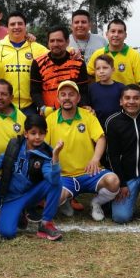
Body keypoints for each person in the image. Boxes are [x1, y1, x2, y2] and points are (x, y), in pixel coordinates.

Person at [45, 80, 120, 221]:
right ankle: (65, 200)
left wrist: (95, 159)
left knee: (113, 181)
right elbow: (44, 148)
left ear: (78, 98)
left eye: (71, 94)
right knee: (53, 200)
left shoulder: (88, 116)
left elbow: (101, 139)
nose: (67, 98)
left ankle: (96, 203)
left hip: (90, 172)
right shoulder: (50, 119)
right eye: (63, 94)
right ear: (58, 98)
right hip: (65, 176)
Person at [0, 114, 65, 240]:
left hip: (31, 193)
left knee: (56, 183)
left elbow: (54, 180)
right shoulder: (15, 144)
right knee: (6, 233)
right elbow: (4, 157)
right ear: (26, 133)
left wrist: (55, 156)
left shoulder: (46, 154)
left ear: (45, 134)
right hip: (12, 197)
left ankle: (46, 224)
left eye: (41, 133)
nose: (37, 137)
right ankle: (19, 214)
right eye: (33, 133)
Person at [104, 85, 140, 224]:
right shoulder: (113, 122)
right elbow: (113, 156)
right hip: (127, 178)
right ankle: (124, 203)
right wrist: (121, 183)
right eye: (127, 98)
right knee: (120, 217)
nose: (131, 101)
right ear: (121, 101)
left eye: (136, 98)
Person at [0, 11, 48, 115]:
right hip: (3, 105)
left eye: (20, 24)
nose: (16, 27)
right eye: (12, 24)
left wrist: (71, 51)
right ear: (7, 29)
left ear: (25, 27)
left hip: (31, 107)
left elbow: (56, 54)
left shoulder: (38, 49)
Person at [87, 19, 140, 101]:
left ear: (125, 35)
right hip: (102, 101)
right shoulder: (98, 54)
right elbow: (89, 76)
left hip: (127, 103)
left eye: (120, 32)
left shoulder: (134, 55)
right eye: (113, 31)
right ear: (107, 34)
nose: (116, 35)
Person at [31, 26, 89, 113]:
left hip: (73, 114)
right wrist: (42, 108)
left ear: (67, 42)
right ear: (48, 43)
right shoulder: (38, 63)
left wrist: (84, 108)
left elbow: (83, 91)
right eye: (52, 41)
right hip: (48, 114)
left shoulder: (78, 63)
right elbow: (35, 91)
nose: (55, 44)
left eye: (59, 40)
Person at [87, 54, 126, 128]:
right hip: (98, 128)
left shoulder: (121, 88)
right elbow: (89, 107)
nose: (101, 71)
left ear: (113, 69)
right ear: (95, 71)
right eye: (98, 68)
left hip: (118, 127)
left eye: (105, 68)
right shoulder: (91, 88)